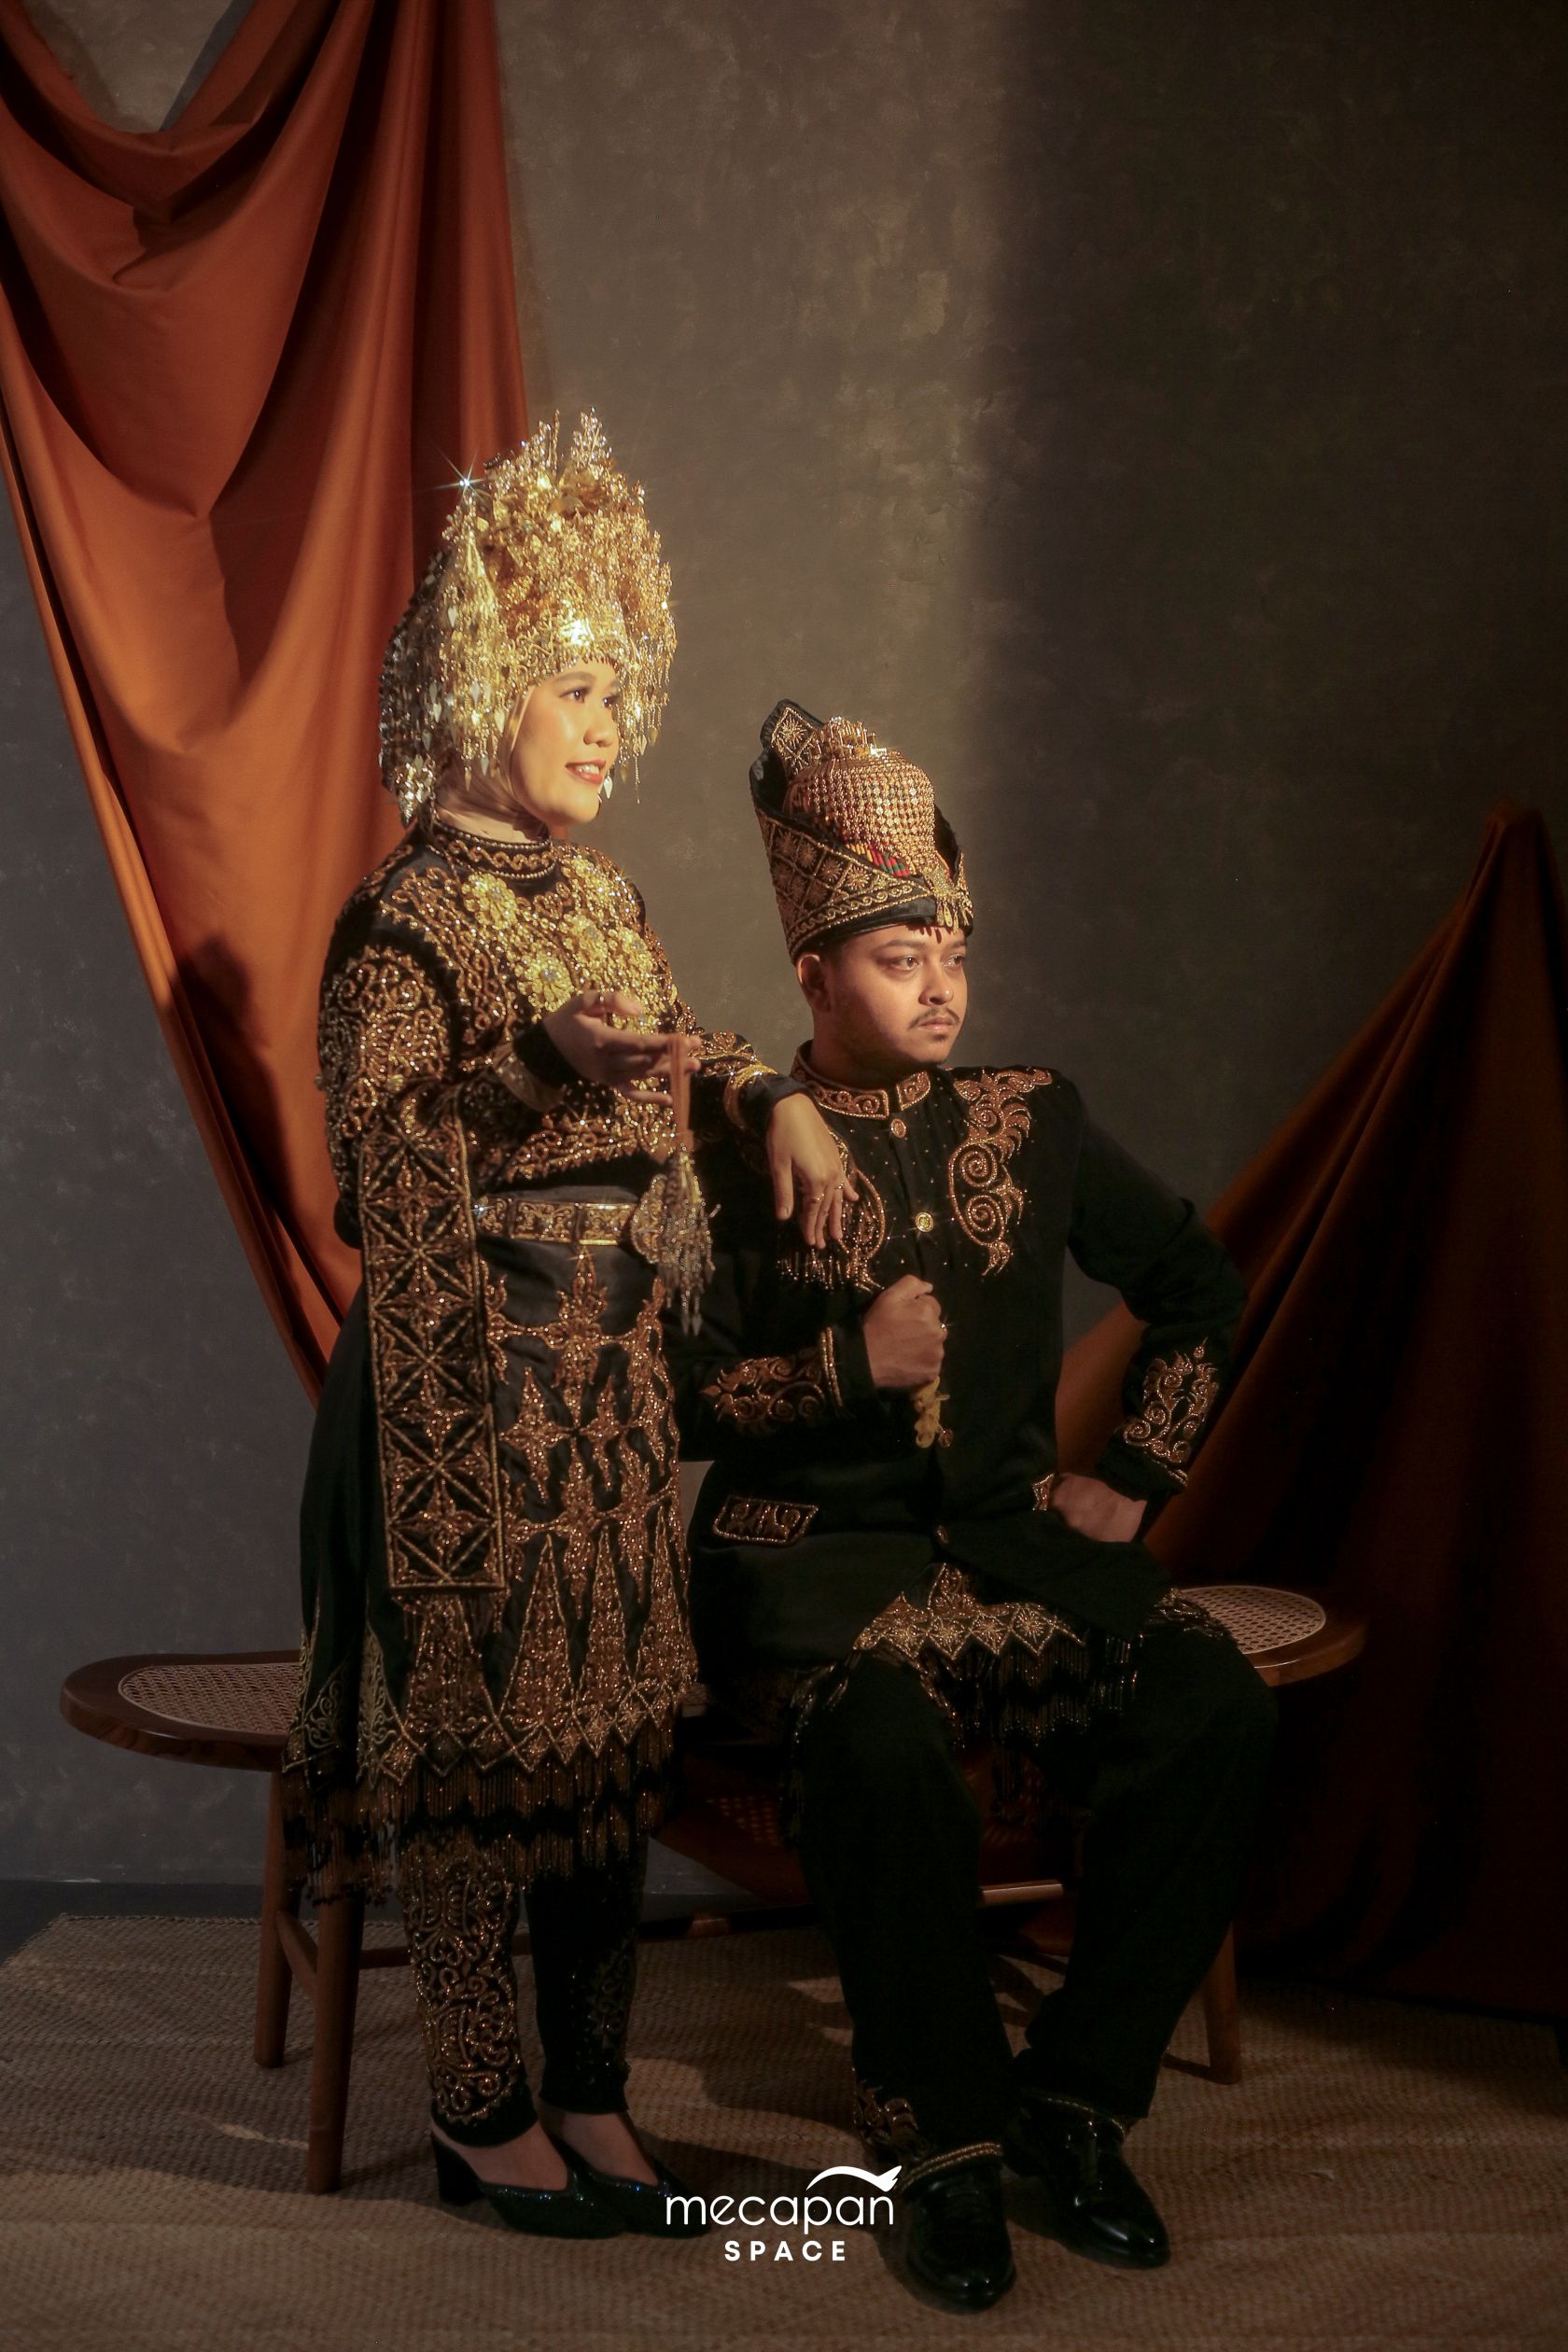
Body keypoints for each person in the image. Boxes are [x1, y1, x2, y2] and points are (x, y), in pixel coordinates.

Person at [279, 427, 847, 2238]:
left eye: (619, 692)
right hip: (461, 1409)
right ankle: (478, 2115)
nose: (612, 728)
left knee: (608, 1759)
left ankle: (591, 2093)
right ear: (486, 690)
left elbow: (680, 1044)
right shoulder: (400, 923)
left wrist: (766, 1095)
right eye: (578, 691)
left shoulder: (599, 896)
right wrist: (541, 1062)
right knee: (472, 1768)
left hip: (607, 1402)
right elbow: (379, 1178)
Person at [669, 702, 1277, 2309]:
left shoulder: (1032, 1117)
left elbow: (1200, 1287)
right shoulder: (732, 1154)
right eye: (898, 957)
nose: (940, 984)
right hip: (811, 1567)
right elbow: (670, 1402)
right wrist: (847, 1371)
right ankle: (941, 2138)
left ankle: (1074, 2105)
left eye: (953, 951)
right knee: (878, 1745)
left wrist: (1135, 1478)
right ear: (815, 977)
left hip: (1015, 1549)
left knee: (1212, 1701)